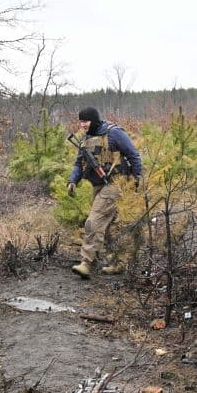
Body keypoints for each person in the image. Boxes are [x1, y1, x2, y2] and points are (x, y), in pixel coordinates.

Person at [67, 107, 143, 279]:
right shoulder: (85, 139)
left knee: (93, 221)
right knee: (112, 225)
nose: (82, 125)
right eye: (80, 121)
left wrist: (137, 179)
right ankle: (119, 262)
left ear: (93, 120)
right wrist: (72, 181)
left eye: (85, 121)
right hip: (98, 185)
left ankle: (87, 263)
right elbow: (79, 163)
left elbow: (133, 155)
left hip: (116, 183)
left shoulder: (114, 133)